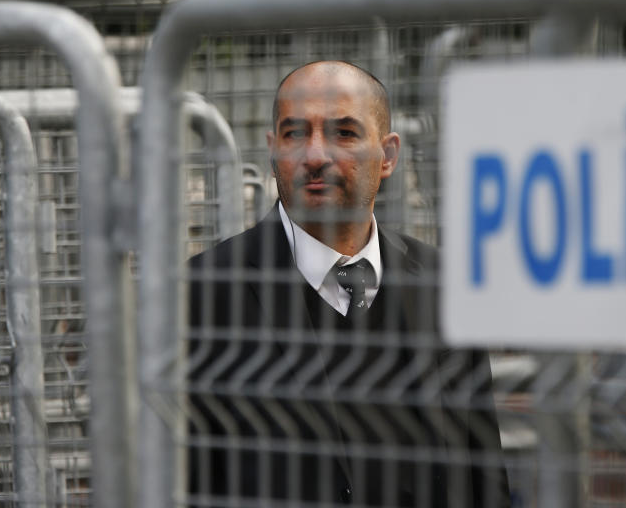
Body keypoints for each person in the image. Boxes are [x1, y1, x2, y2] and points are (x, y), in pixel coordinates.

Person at [188, 61, 509, 506]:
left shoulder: (445, 284)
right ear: (272, 149)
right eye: (294, 133)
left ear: (389, 156)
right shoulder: (201, 293)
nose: (315, 155)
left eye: (344, 133)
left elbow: (484, 473)